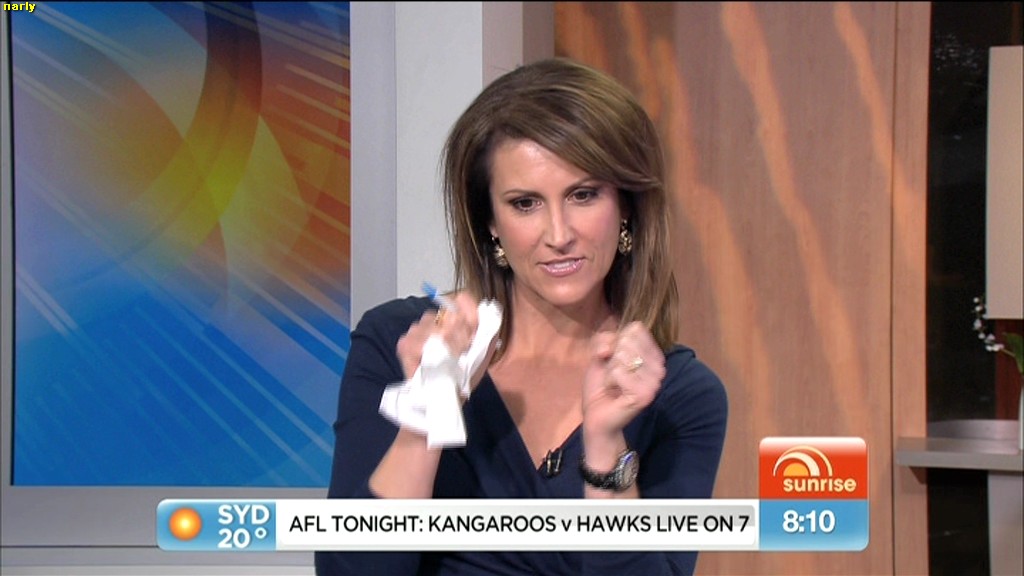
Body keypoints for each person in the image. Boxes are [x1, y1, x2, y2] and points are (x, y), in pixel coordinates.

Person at [315, 57, 728, 576]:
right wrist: (424, 417)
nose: (558, 234)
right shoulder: (396, 342)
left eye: (583, 195)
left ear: (626, 206)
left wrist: (605, 451)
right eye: (525, 203)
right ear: (490, 221)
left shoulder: (679, 396)